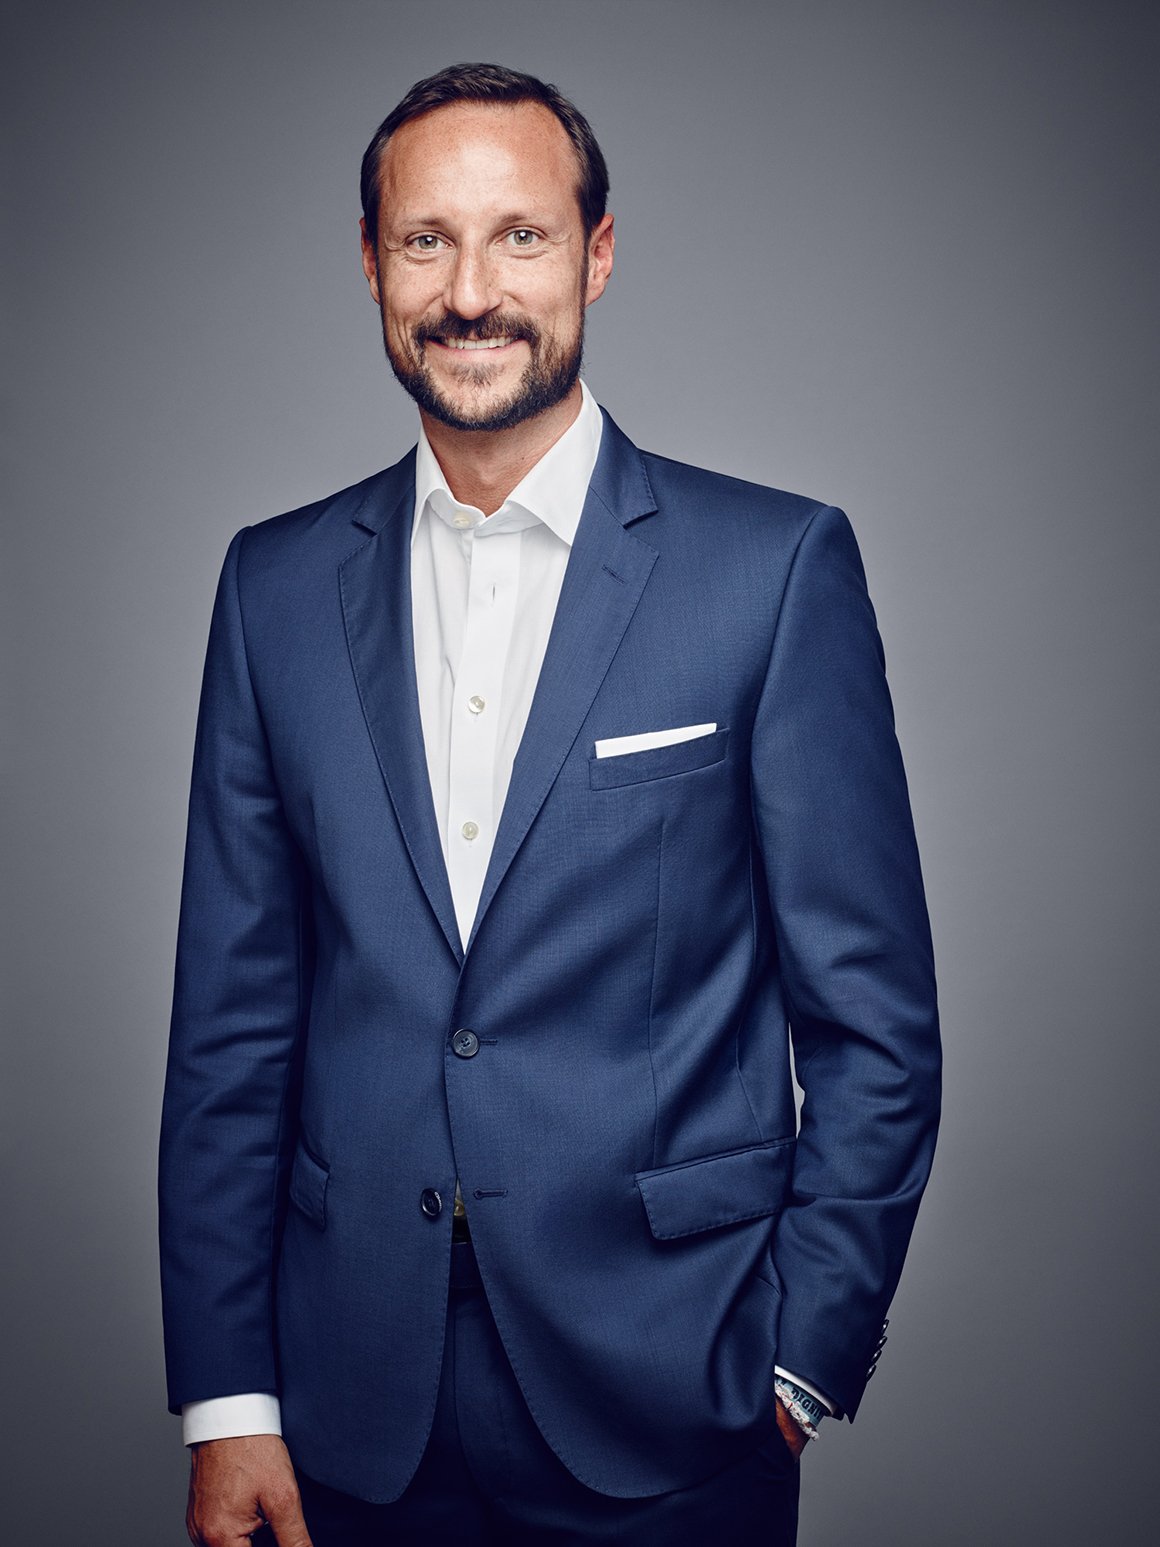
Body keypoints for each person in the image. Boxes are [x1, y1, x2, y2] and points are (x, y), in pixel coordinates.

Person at [159, 62, 941, 1547]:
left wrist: (801, 1362)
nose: (471, 293)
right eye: (426, 240)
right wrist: (229, 1401)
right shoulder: (271, 590)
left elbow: (877, 1023)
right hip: (346, 1412)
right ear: (372, 264)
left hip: (677, 1399)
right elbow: (231, 1029)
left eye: (520, 236)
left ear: (597, 254)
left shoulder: (771, 573)